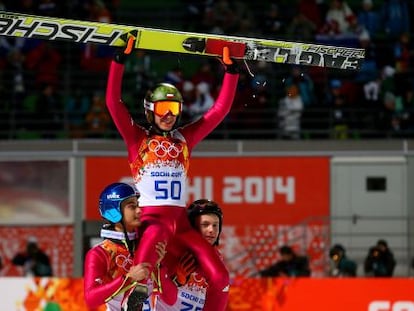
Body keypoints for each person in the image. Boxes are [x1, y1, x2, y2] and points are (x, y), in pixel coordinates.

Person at [105, 36, 239, 311]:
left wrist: (231, 71)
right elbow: (113, 103)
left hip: (181, 222)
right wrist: (118, 61)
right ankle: (138, 292)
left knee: (221, 277)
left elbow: (219, 110)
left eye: (175, 109)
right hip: (153, 222)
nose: (169, 115)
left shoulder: (184, 139)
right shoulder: (137, 140)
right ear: (150, 110)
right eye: (163, 109)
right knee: (144, 272)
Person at [83, 182, 171, 311]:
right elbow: (91, 298)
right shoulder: (100, 253)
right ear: (113, 211)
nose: (139, 211)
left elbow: (170, 299)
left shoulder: (149, 249)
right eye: (132, 206)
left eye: (138, 205)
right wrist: (128, 278)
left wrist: (160, 267)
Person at [145, 199, 225, 310]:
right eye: (205, 224)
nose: (211, 230)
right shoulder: (175, 250)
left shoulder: (217, 257)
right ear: (193, 227)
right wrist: (176, 281)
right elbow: (156, 290)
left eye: (215, 225)